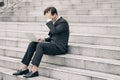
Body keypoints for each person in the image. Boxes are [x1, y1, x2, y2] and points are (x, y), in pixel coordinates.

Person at [13, 7, 69, 78]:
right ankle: (24, 68)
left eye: (49, 17)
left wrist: (49, 21)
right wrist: (44, 39)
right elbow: (54, 35)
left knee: (40, 45)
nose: (48, 19)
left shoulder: (63, 22)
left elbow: (54, 31)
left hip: (60, 48)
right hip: (53, 45)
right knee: (33, 43)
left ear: (54, 14)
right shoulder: (56, 22)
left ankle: (34, 70)